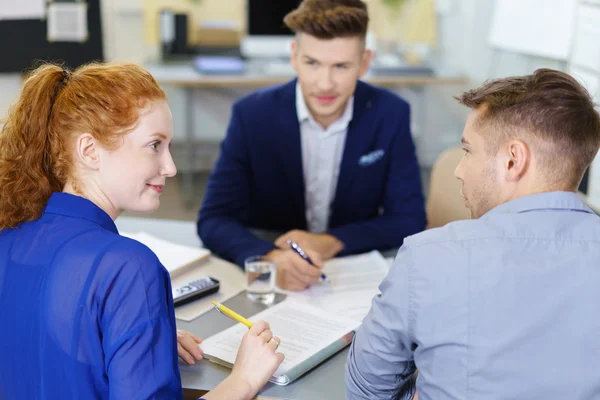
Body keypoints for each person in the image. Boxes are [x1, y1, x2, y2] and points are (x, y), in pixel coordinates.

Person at [0, 62, 284, 400]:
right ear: (89, 150)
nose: (171, 167)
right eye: (154, 145)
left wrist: (132, 339)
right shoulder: (129, 266)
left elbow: (37, 341)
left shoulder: (10, 233)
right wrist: (245, 379)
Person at [345, 68, 600, 399]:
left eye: (468, 150)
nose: (459, 170)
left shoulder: (428, 258)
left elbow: (366, 391)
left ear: (513, 160)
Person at [197, 0, 426, 291]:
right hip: (273, 281)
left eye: (341, 66)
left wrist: (330, 242)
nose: (325, 83)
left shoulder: (391, 114)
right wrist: (271, 257)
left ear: (365, 62)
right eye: (312, 63)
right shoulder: (251, 115)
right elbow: (213, 219)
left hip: (350, 276)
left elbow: (409, 218)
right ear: (294, 56)